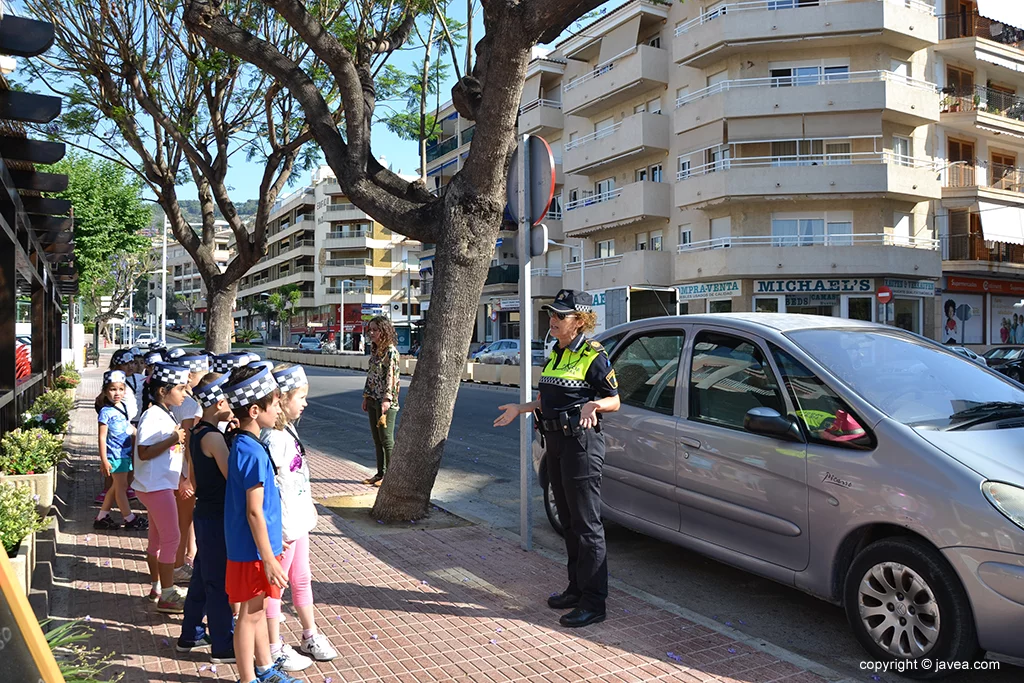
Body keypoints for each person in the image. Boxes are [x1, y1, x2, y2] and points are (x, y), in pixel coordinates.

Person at [494, 289, 620, 628]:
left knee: (586, 524)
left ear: (578, 321)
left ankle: (595, 602)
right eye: (551, 313)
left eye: (560, 315)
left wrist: (595, 404)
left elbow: (614, 399)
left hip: (581, 445)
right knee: (567, 522)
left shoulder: (592, 355)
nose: (552, 319)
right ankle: (577, 589)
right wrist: (520, 409)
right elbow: (547, 397)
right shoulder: (556, 352)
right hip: (556, 443)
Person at [222, 362, 301, 683]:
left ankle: (264, 670)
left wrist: (270, 541)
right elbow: (253, 510)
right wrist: (268, 557)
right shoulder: (251, 451)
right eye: (274, 402)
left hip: (253, 546)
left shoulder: (244, 444)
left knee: (252, 613)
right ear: (255, 410)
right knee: (249, 616)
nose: (279, 406)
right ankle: (247, 678)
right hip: (252, 553)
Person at [261, 364, 338, 670]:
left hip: (299, 520)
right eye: (301, 396)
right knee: (274, 589)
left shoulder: (287, 429)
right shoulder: (271, 439)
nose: (306, 402)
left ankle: (310, 634)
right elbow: (269, 490)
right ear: (281, 398)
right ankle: (273, 645)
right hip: (283, 527)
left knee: (302, 578)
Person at [177, 372, 236, 664]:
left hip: (204, 511)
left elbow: (196, 477)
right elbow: (232, 478)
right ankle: (223, 644)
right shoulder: (213, 437)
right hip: (216, 515)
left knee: (201, 577)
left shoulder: (199, 431)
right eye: (226, 399)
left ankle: (191, 633)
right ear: (217, 403)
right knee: (217, 582)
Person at [134, 362, 190, 613]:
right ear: (162, 391)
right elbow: (144, 452)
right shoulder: (153, 415)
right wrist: (173, 438)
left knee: (157, 540)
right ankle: (168, 595)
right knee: (172, 538)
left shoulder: (164, 412)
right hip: (155, 487)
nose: (185, 392)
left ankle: (158, 587)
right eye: (180, 388)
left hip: (158, 485)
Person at [171, 353, 210, 584]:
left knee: (183, 521)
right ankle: (176, 566)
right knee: (181, 523)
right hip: (183, 469)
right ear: (191, 375)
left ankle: (184, 558)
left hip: (179, 468)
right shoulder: (189, 403)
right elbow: (185, 442)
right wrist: (188, 477)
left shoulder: (183, 400)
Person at [93, 370, 147, 531]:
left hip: (125, 453)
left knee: (116, 487)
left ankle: (102, 517)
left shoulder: (122, 406)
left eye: (121, 389)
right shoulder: (105, 412)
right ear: (105, 391)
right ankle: (129, 518)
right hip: (114, 455)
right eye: (112, 389)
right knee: (121, 487)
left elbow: (127, 427)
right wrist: (104, 459)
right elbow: (102, 437)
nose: (117, 393)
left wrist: (141, 436)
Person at [361, 316, 400, 487]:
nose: (371, 333)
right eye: (370, 330)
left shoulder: (391, 352)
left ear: (384, 331)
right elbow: (371, 375)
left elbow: (392, 377)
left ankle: (391, 476)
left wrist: (387, 399)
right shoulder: (375, 351)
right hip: (373, 398)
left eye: (375, 330)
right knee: (377, 439)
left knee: (386, 439)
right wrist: (366, 396)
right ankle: (380, 473)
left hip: (385, 401)